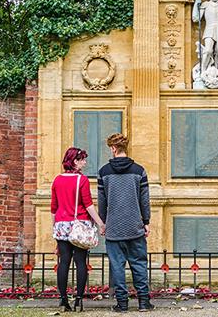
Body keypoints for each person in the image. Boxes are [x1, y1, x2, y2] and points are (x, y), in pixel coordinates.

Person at [97, 133, 154, 312]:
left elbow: (102, 201)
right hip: (135, 226)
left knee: (117, 266)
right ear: (125, 147)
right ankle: (143, 302)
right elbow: (144, 199)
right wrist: (146, 221)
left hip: (114, 228)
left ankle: (122, 304)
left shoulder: (103, 172)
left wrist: (103, 223)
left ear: (113, 148)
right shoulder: (139, 171)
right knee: (139, 263)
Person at [51, 147, 106, 312]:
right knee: (80, 262)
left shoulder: (57, 180)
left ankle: (63, 300)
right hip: (79, 225)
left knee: (64, 263)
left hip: (61, 224)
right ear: (75, 161)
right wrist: (100, 223)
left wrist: (55, 229)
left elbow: (54, 208)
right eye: (82, 159)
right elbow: (88, 205)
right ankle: (79, 300)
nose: (85, 162)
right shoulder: (81, 180)